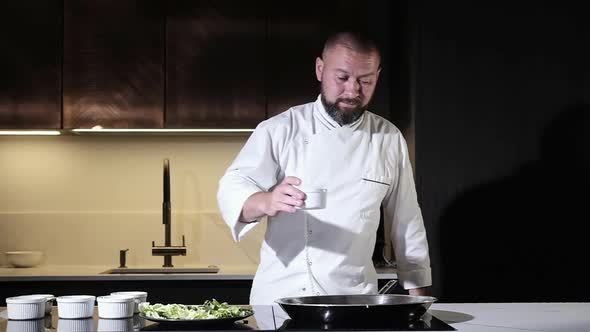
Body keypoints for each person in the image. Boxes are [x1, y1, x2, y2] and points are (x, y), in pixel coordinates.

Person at [217, 31, 431, 304]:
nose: (353, 91)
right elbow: (233, 187)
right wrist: (266, 200)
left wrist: (421, 305)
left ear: (377, 75)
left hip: (356, 299)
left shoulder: (388, 139)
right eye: (342, 78)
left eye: (366, 81)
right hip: (283, 296)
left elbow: (407, 222)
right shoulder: (280, 129)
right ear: (320, 69)